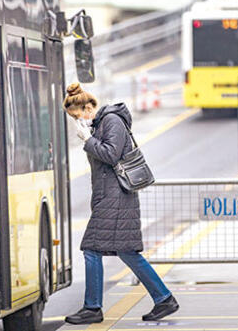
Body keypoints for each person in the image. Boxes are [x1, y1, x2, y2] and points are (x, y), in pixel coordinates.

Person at [62, 83, 179, 325]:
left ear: (89, 106)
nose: (79, 120)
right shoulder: (100, 124)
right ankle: (163, 298)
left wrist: (87, 140)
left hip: (117, 197)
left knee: (92, 248)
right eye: (74, 118)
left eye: (79, 115)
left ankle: (93, 307)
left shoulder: (112, 121)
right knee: (127, 251)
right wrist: (90, 136)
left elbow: (110, 155)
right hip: (112, 197)